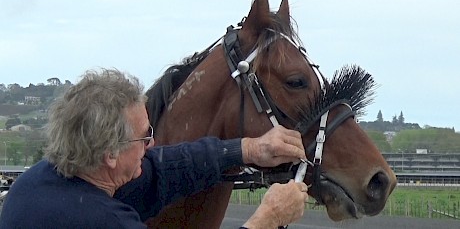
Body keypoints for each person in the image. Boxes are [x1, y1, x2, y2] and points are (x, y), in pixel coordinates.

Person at [0, 68, 309, 229]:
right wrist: (268, 217)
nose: (153, 144)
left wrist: (247, 149)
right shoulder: (102, 220)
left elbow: (162, 169)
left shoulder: (44, 179)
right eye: (144, 137)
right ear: (110, 154)